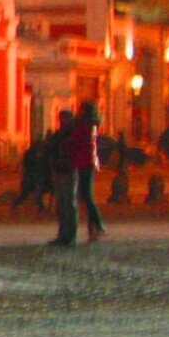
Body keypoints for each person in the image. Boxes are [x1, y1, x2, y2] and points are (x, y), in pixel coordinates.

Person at [72, 101, 106, 242]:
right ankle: (93, 225)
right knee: (86, 196)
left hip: (84, 162)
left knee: (86, 196)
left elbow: (77, 141)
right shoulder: (92, 125)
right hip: (88, 162)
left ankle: (97, 223)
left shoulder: (85, 126)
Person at [48, 109, 78, 245]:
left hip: (69, 170)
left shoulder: (73, 134)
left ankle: (70, 234)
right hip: (59, 170)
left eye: (65, 118)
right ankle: (63, 233)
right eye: (62, 118)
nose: (63, 121)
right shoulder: (59, 134)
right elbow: (51, 149)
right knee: (61, 204)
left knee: (68, 203)